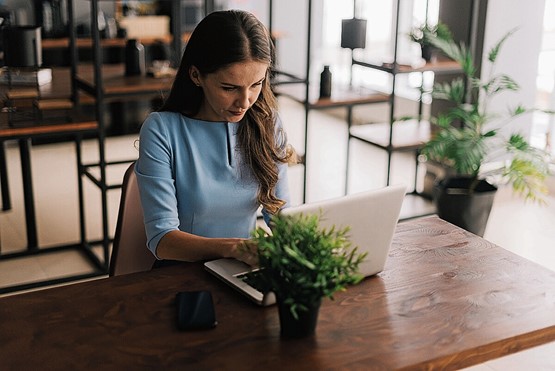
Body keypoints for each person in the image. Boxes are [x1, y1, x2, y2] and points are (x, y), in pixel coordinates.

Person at [135, 10, 295, 267]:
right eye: (229, 88)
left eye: (256, 84)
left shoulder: (268, 123)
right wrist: (235, 248)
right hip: (182, 273)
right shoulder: (161, 130)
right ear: (196, 75)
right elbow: (162, 240)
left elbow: (281, 215)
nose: (245, 102)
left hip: (243, 266)